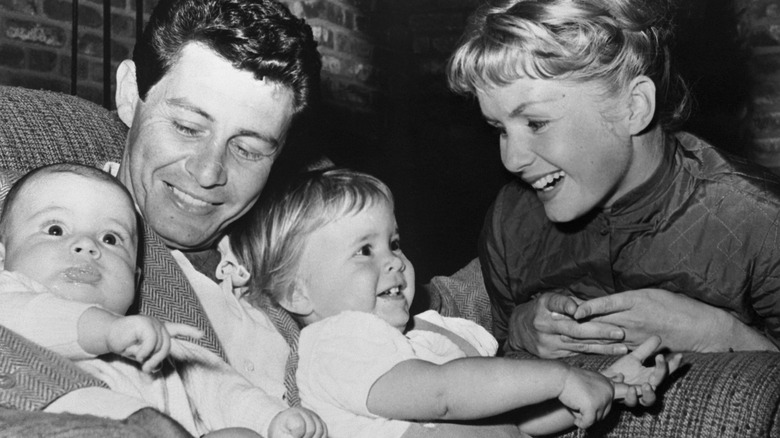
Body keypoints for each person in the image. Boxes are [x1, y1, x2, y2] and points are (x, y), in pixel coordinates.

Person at [1, 0, 327, 436]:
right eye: (188, 127)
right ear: (129, 94)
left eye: (248, 149)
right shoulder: (48, 222)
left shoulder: (282, 242)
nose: (209, 172)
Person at [231, 168, 680, 438]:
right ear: (296, 293)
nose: (395, 262)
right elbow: (444, 395)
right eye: (364, 251)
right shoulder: (336, 343)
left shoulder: (428, 335)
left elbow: (517, 421)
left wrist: (601, 386)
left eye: (394, 242)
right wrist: (559, 377)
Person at [445, 0, 780, 359]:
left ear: (634, 107)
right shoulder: (510, 221)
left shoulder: (759, 223)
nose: (511, 159)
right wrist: (517, 331)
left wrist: (716, 334)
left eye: (536, 124)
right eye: (500, 129)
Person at [0, 162, 308, 438]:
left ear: (135, 280)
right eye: (55, 229)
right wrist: (107, 331)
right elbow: (29, 315)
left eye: (111, 238)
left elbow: (226, 391)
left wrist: (273, 420)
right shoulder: (8, 293)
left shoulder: (164, 346)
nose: (86, 245)